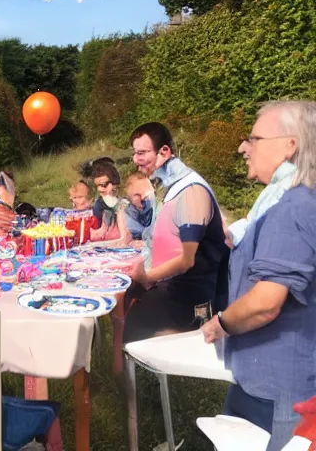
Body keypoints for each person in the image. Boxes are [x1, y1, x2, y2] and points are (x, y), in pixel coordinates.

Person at [201, 101, 316, 451]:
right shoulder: (289, 201)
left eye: (254, 138)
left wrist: (220, 323)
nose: (243, 147)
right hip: (266, 378)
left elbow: (265, 303)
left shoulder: (293, 207)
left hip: (283, 388)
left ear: (289, 144)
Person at [123, 122, 227, 344]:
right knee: (127, 293)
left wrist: (148, 276)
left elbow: (187, 260)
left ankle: (180, 353)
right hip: (174, 284)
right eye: (134, 153)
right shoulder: (172, 186)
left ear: (164, 152)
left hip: (192, 294)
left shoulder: (191, 190)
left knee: (134, 326)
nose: (135, 159)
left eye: (142, 152)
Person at [90, 161, 130, 243]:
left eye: (104, 185)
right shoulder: (99, 204)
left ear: (114, 184)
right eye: (97, 186)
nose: (99, 189)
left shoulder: (124, 201)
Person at [124, 172, 155, 241]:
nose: (143, 197)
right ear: (129, 198)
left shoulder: (161, 210)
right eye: (137, 195)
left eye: (146, 193)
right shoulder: (126, 217)